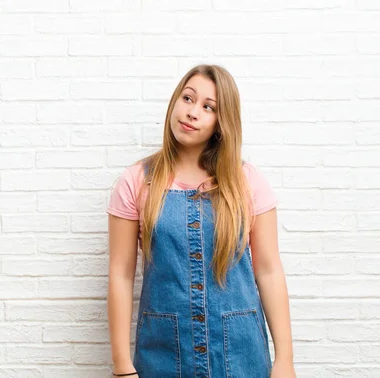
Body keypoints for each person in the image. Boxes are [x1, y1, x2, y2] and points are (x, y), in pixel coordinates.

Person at [106, 64, 296, 378]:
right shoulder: (137, 181)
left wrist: (285, 360)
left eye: (208, 107)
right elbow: (120, 274)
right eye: (187, 98)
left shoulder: (247, 182)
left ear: (222, 123)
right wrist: (122, 365)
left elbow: (269, 269)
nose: (193, 112)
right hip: (163, 353)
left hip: (241, 353)